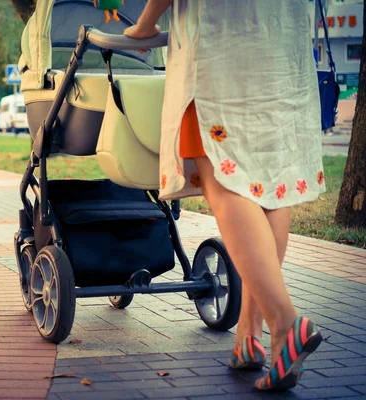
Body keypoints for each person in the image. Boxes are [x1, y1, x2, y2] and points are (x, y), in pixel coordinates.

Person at [125, 0, 324, 391]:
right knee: (266, 181)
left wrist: (145, 24)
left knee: (224, 177)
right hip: (281, 40)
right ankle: (249, 334)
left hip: (222, 43)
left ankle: (285, 324)